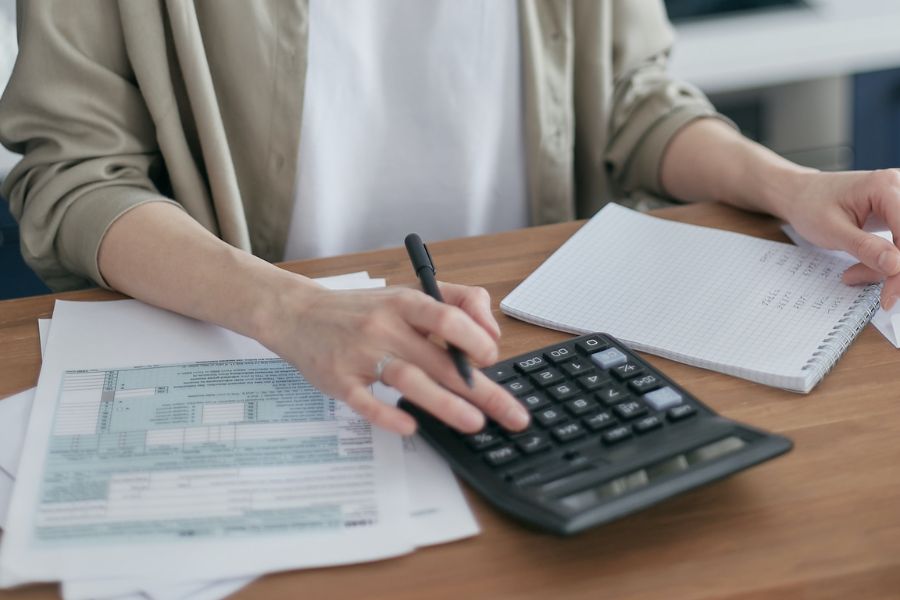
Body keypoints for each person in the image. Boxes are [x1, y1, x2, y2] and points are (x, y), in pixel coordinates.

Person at [2, 1, 899, 437]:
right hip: (270, 354)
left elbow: (635, 101)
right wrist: (289, 309)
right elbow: (76, 177)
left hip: (519, 345)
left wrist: (789, 186)